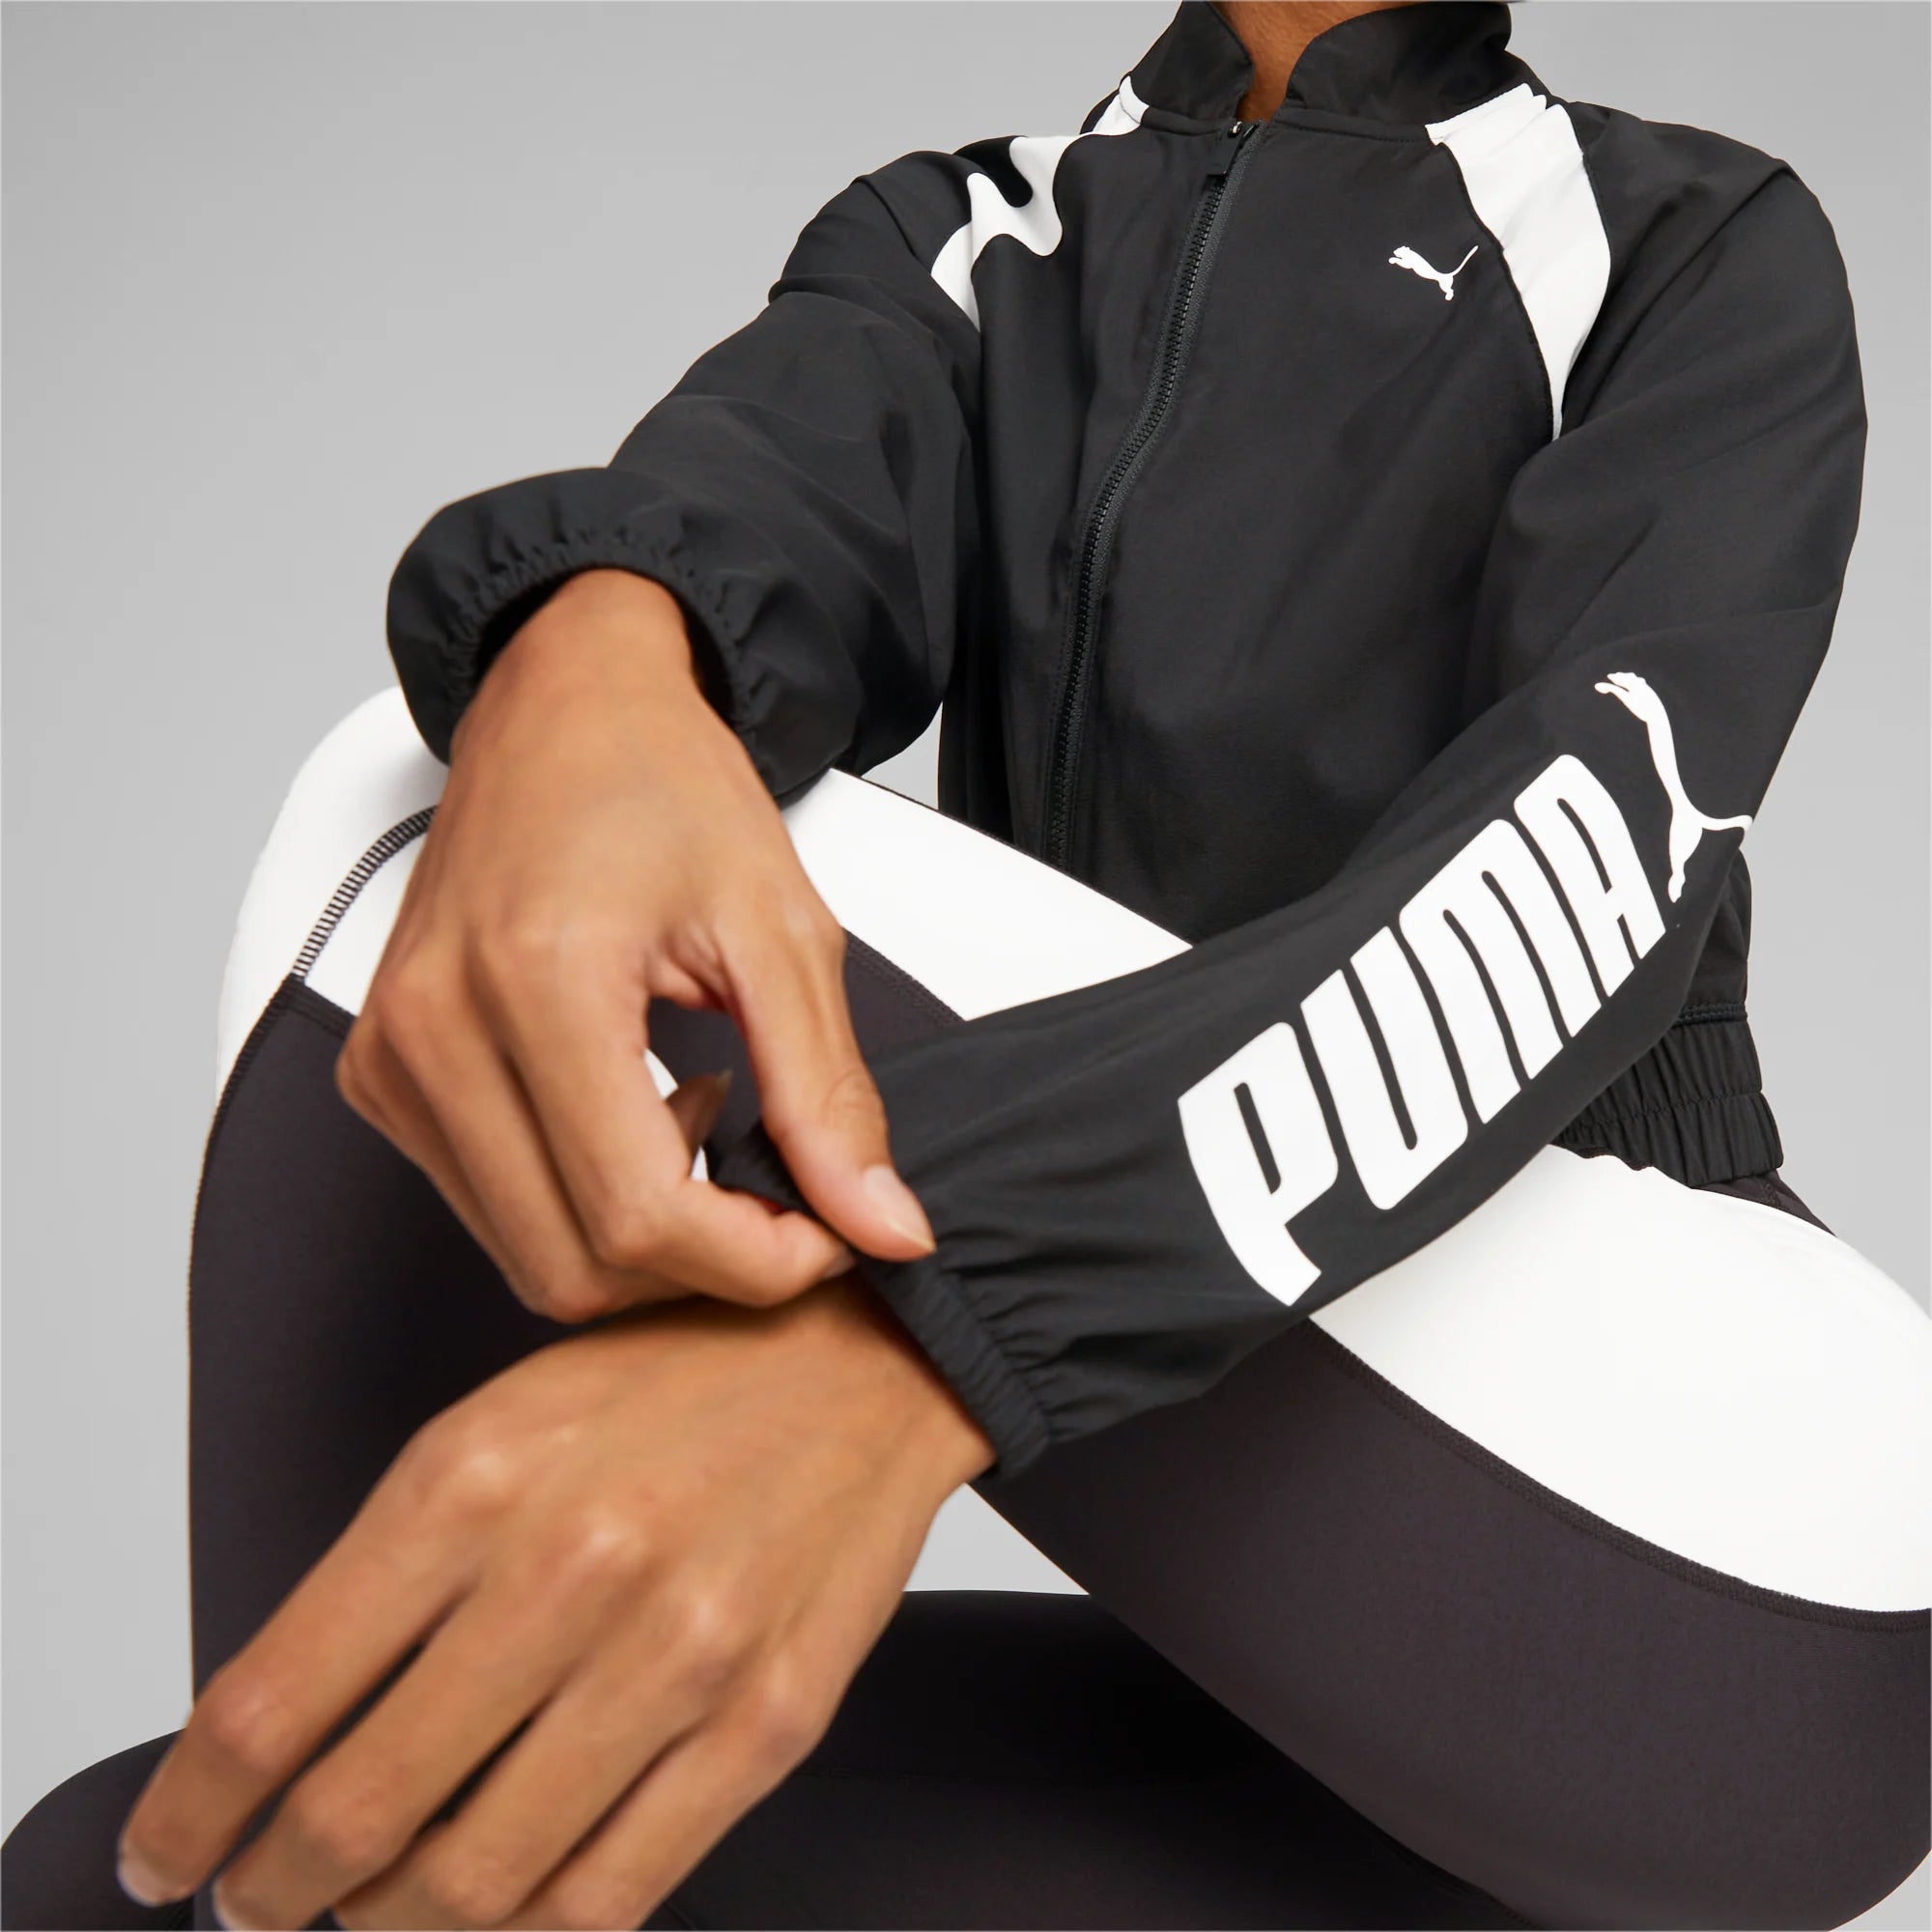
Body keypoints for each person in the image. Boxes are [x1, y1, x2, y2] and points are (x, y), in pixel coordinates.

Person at [5, 3, 1927, 1927]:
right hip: (1281, 1586)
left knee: (393, 804)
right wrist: (594, 635)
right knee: (137, 1876)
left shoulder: (1677, 235)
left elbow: (1574, 874)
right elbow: (751, 522)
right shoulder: (973, 236)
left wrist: (925, 1320)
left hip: (1724, 1541)